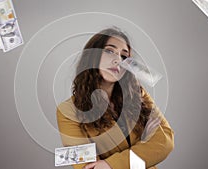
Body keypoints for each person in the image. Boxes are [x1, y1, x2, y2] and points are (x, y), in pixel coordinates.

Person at [56, 27, 174, 169]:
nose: (118, 60)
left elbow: (166, 141)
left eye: (124, 56)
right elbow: (90, 168)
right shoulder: (67, 112)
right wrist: (144, 144)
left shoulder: (138, 93)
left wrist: (110, 164)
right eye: (109, 51)